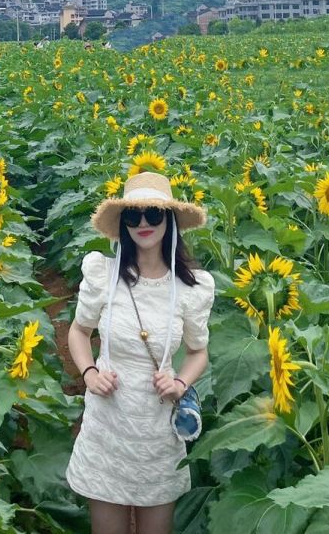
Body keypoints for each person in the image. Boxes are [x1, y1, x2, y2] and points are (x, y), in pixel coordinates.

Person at [66, 171, 215, 534]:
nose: (144, 223)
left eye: (153, 213)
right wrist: (90, 374)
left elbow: (199, 352)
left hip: (156, 430)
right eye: (134, 216)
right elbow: (79, 331)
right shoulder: (104, 274)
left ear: (170, 220)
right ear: (123, 224)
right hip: (108, 426)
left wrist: (180, 382)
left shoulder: (191, 289)